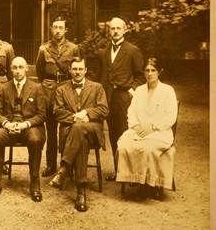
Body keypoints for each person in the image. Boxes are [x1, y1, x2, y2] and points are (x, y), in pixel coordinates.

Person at [0, 57, 46, 202]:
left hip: (29, 127)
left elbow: (41, 115)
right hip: (9, 126)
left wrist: (25, 124)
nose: (18, 71)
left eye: (20, 67)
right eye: (15, 68)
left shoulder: (36, 88)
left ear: (26, 69)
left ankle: (34, 182)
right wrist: (7, 124)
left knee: (36, 140)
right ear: (11, 69)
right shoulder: (3, 87)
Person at [49, 57, 109, 212]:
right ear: (70, 70)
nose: (77, 72)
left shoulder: (97, 88)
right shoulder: (61, 89)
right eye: (74, 69)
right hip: (72, 132)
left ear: (86, 70)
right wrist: (75, 117)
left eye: (80, 69)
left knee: (79, 129)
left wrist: (87, 113)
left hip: (92, 130)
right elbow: (57, 112)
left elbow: (104, 109)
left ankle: (63, 169)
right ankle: (81, 192)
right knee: (80, 136)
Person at [116, 57, 178, 200]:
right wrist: (136, 126)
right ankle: (134, 178)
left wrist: (153, 127)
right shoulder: (139, 90)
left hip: (160, 132)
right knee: (123, 145)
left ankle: (148, 186)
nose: (150, 74)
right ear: (143, 72)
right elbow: (131, 112)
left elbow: (171, 116)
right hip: (139, 129)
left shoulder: (168, 91)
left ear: (159, 72)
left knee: (148, 148)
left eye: (153, 70)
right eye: (147, 70)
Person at [98, 17, 144, 181]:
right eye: (112, 28)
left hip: (124, 98)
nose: (115, 31)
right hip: (108, 97)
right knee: (113, 133)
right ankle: (118, 170)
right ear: (109, 31)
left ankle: (129, 173)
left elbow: (140, 76)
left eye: (118, 28)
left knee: (126, 133)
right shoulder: (104, 51)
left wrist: (131, 91)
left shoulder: (132, 50)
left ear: (125, 30)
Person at [36, 16, 80, 177]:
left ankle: (67, 165)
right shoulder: (44, 49)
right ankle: (50, 165)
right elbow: (40, 72)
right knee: (51, 130)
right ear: (51, 29)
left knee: (68, 129)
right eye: (55, 27)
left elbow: (77, 69)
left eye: (61, 27)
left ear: (65, 30)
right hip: (49, 92)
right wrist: (47, 86)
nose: (58, 31)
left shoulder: (73, 48)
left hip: (67, 91)